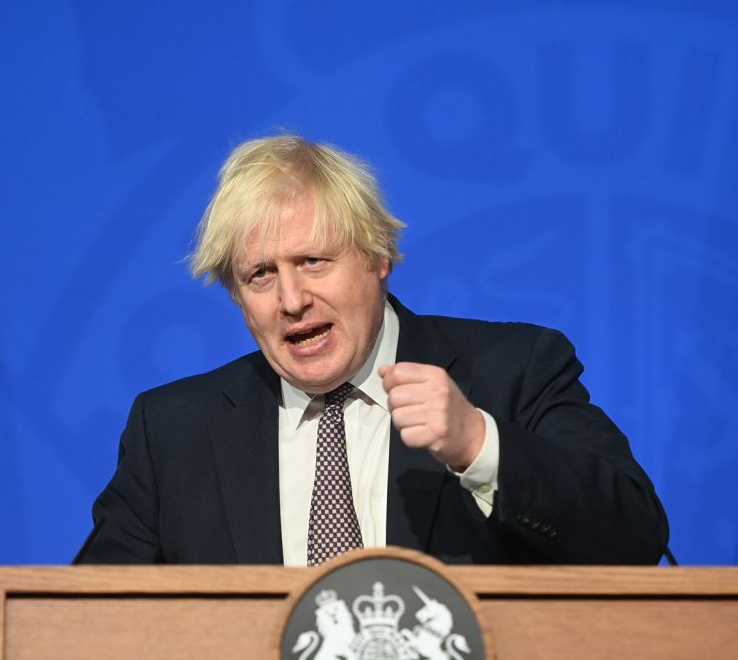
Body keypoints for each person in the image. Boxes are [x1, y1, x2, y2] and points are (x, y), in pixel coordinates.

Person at [75, 135, 667, 567]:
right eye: (259, 274)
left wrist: (479, 445)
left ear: (378, 257)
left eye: (313, 261)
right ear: (237, 296)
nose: (291, 299)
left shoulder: (514, 369)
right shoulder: (174, 431)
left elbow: (635, 537)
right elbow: (91, 623)